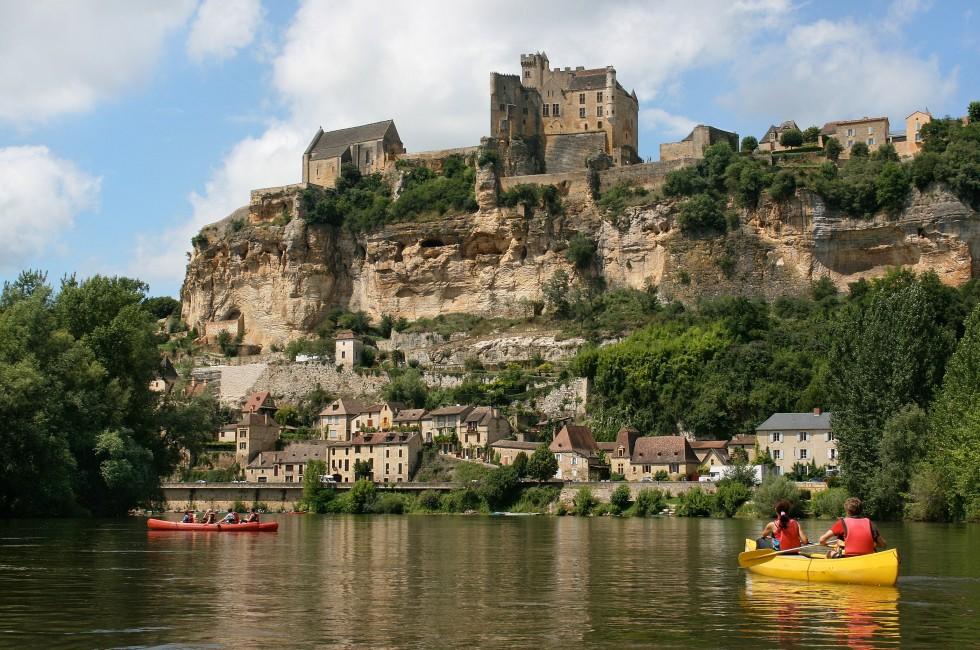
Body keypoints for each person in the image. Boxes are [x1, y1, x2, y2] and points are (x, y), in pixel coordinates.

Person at [818, 497, 886, 557]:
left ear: (847, 510)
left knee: (829, 553)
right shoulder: (870, 523)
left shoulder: (841, 523)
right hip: (867, 557)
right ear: (861, 510)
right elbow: (883, 545)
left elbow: (822, 540)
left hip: (848, 558)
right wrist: (873, 544)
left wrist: (824, 543)